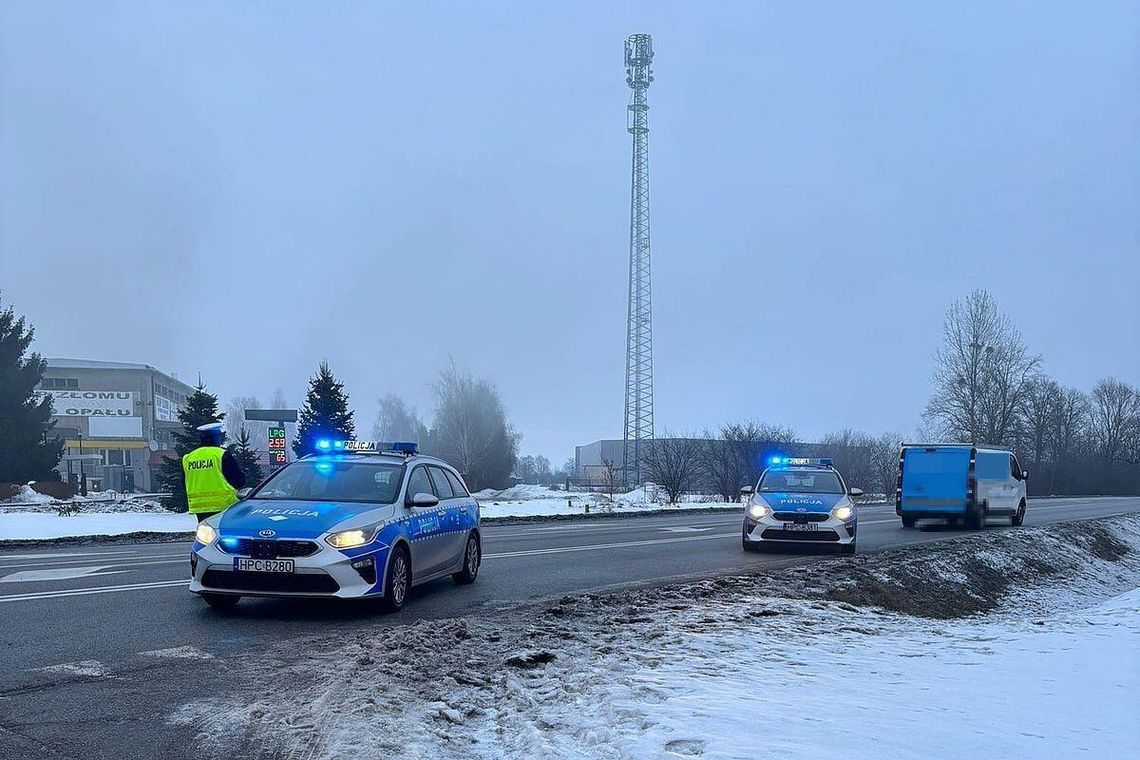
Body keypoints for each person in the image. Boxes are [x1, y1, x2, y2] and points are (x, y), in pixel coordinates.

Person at [182, 422, 247, 523]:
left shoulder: (188, 458)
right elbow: (239, 481)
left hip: (199, 507)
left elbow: (184, 481)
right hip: (224, 505)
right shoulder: (221, 454)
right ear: (216, 438)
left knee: (207, 534)